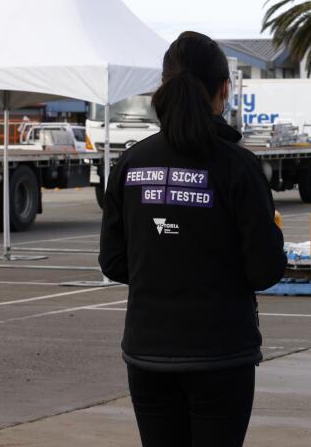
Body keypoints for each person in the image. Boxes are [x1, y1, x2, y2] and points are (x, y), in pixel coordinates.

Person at [99, 31, 287, 447]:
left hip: (148, 351)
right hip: (220, 354)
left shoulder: (132, 162)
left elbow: (113, 262)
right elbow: (265, 269)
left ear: (162, 87)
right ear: (224, 89)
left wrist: (163, 269)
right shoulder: (238, 166)